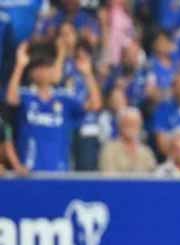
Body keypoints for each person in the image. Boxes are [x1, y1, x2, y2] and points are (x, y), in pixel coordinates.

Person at [5, 41, 100, 172]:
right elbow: (10, 99)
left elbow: (95, 105)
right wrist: (19, 66)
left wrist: (88, 74)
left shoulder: (64, 98)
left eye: (47, 67)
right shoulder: (25, 95)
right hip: (29, 172)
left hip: (59, 171)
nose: (43, 71)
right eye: (38, 67)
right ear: (31, 72)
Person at [99, 106, 157, 174]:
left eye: (135, 123)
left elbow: (153, 176)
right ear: (120, 125)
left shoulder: (146, 152)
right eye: (127, 123)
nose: (131, 127)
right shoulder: (109, 150)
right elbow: (109, 176)